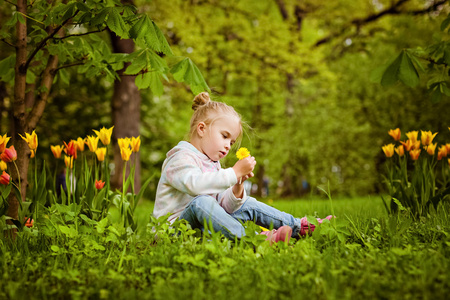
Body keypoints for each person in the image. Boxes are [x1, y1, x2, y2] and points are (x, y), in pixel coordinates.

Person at [153, 92, 331, 244]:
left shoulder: (211, 164)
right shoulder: (180, 159)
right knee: (202, 202)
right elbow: (196, 186)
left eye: (231, 142)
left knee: (247, 204)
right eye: (224, 136)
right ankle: (255, 240)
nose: (228, 146)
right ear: (201, 129)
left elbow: (225, 206)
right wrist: (233, 173)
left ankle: (300, 227)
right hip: (173, 232)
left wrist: (237, 186)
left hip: (201, 229)